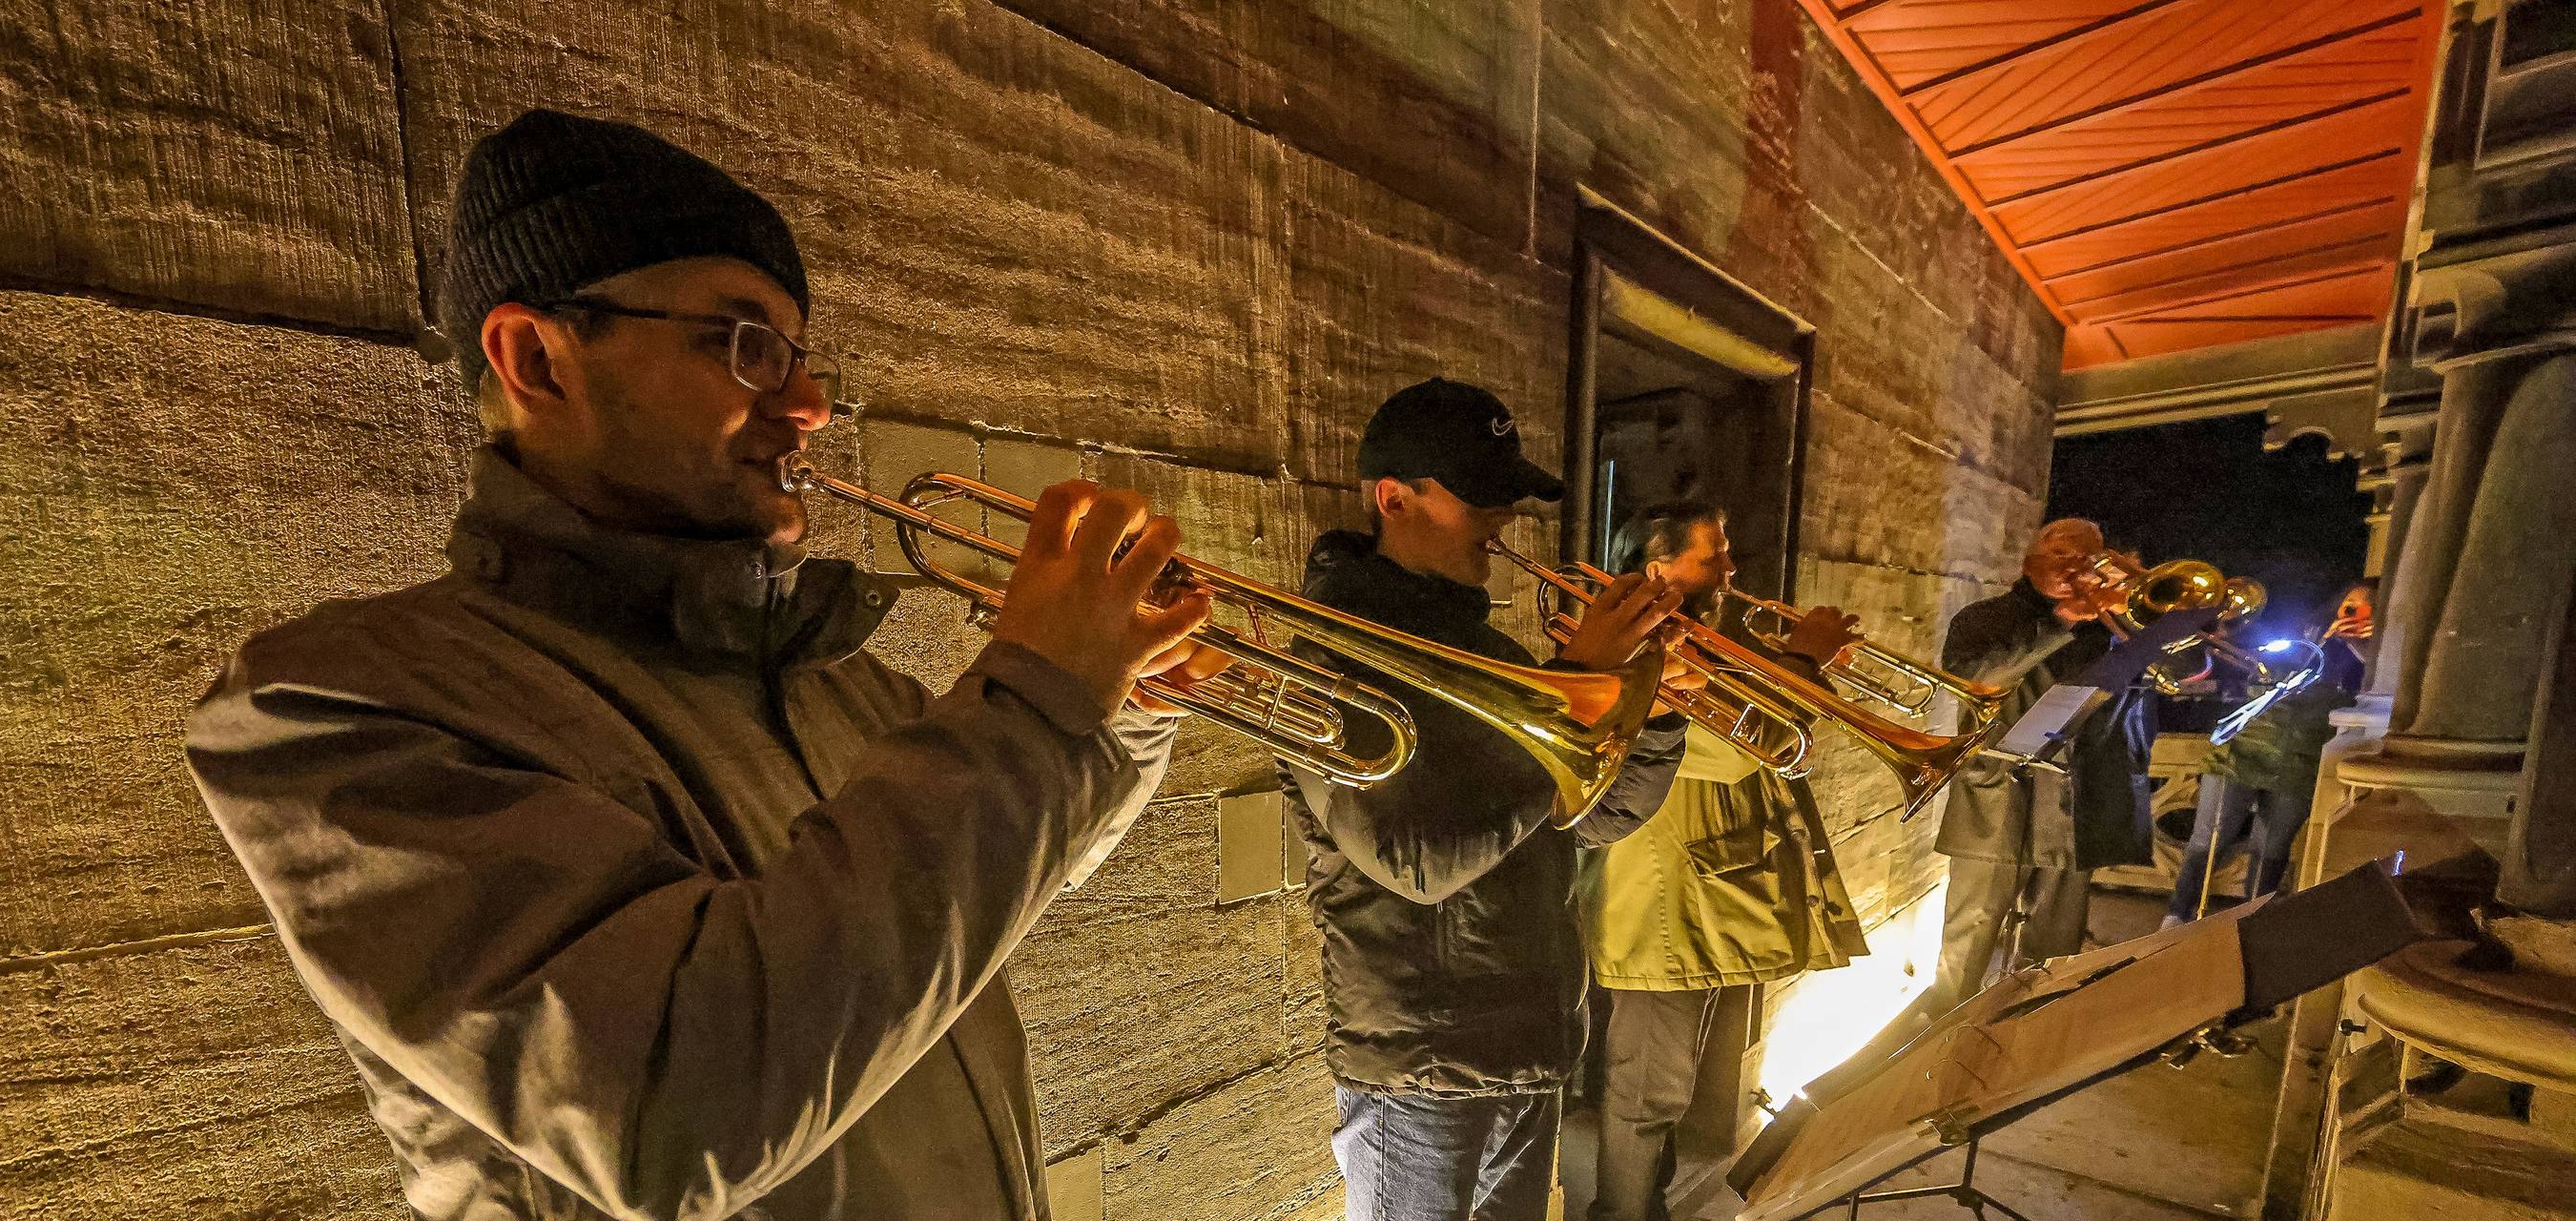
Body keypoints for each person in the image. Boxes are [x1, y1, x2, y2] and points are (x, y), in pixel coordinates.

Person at [185, 110, 1225, 1220]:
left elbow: (994, 882)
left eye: (800, 357)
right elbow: (682, 1106)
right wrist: (1039, 698)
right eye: (742, 343)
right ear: (537, 358)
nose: (808, 407)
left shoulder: (836, 683)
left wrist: (1119, 706)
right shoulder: (328, 704)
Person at [1281, 378, 1700, 1221]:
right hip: (1422, 1062)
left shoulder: (1492, 653)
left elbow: (1594, 818)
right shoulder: (1330, 656)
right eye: (1480, 495)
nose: (1505, 516)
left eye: (1509, 493)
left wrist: (1652, 715)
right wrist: (1576, 685)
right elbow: (1417, 859)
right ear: (1393, 498)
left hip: (1530, 1040)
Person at [1578, 503, 1871, 1221]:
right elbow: (1745, 744)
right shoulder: (1634, 646)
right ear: (1657, 570)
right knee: (1645, 1094)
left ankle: (1644, 1205)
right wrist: (1803, 661)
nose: (1731, 570)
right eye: (1712, 556)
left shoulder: (1702, 641)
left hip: (1705, 894)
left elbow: (1775, 737)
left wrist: (1795, 667)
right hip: (1659, 907)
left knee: (1668, 1095)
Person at [1921, 518, 2152, 1017]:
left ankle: (2033, 1024)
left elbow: (2181, 674)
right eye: (2061, 555)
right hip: (1998, 795)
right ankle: (1942, 1031)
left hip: (2076, 802)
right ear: (2030, 563)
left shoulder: (2116, 626)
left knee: (2055, 943)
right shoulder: (1984, 618)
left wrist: (2141, 612)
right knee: (1970, 932)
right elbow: (1976, 677)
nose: (2074, 568)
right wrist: (2062, 621)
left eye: (2086, 558)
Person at [2163, 579, 2378, 925]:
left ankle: (2254, 923)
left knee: (2270, 850)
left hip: (2300, 761)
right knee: (2208, 839)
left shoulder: (2370, 655)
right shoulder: (2300, 636)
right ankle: (2176, 917)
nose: (2353, 614)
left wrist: (2363, 648)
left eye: (2367, 610)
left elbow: (2378, 691)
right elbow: (2248, 662)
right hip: (2242, 750)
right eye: (2350, 605)